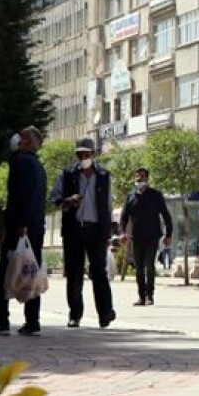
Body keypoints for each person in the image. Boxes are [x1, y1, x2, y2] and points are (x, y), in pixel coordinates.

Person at [0, 127, 47, 336]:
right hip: (36, 227)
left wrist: (20, 225)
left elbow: (23, 196)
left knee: (3, 274)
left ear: (27, 142)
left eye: (21, 136)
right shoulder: (38, 165)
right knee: (31, 272)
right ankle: (32, 321)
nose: (16, 138)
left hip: (21, 227)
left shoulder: (20, 161)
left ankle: (2, 320)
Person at [50, 137, 116, 328]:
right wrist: (68, 200)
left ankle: (105, 313)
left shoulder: (103, 175)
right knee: (74, 274)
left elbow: (108, 205)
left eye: (87, 154)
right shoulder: (68, 174)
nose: (83, 157)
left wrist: (108, 233)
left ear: (93, 155)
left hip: (96, 230)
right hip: (74, 230)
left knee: (99, 273)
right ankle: (75, 314)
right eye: (80, 155)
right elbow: (55, 198)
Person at [119, 168, 173, 306]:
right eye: (137, 177)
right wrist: (123, 233)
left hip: (152, 236)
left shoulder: (155, 195)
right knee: (138, 267)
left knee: (149, 265)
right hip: (137, 237)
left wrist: (169, 234)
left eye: (141, 177)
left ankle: (150, 295)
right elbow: (123, 217)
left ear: (147, 179)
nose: (139, 179)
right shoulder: (130, 196)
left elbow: (166, 215)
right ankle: (141, 296)